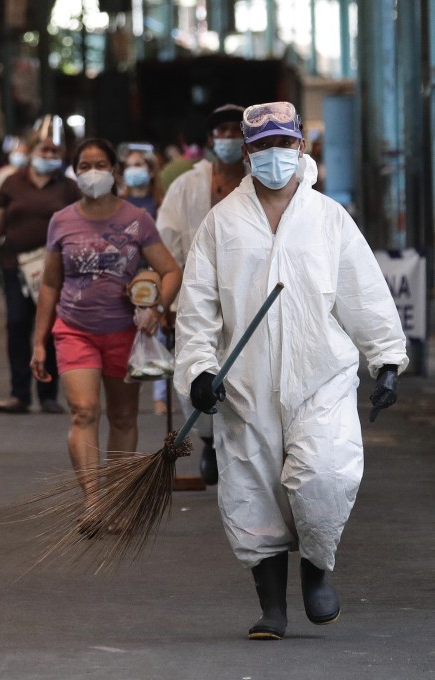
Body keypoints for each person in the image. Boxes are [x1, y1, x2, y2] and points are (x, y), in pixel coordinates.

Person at [173, 101, 407, 641]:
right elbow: (198, 308)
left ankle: (317, 569)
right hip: (246, 385)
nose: (274, 155)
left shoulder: (328, 219)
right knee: (253, 491)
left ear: (301, 146)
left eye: (283, 144)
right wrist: (201, 371)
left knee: (326, 473)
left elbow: (362, 291)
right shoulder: (221, 224)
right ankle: (271, 605)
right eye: (262, 146)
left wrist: (387, 358)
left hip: (319, 377)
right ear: (247, 154)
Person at [30, 137, 180, 506]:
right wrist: (39, 341)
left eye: (100, 165)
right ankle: (94, 501)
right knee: (83, 411)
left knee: (124, 417)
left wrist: (158, 309)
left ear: (113, 171)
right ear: (75, 172)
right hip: (74, 329)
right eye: (84, 166)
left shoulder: (136, 220)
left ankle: (115, 497)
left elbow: (170, 270)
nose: (92, 172)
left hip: (124, 332)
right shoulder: (61, 222)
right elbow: (50, 283)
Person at [156, 103, 248, 485]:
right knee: (194, 370)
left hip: (245, 295)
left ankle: (240, 448)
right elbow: (168, 245)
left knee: (242, 374)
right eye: (221, 131)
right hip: (195, 294)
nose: (228, 137)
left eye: (235, 130)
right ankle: (208, 441)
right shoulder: (188, 186)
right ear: (211, 139)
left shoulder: (259, 180)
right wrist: (168, 301)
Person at [0, 123, 81, 414]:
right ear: (32, 151)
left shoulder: (69, 187)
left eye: (54, 150)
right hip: (16, 267)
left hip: (56, 270)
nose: (49, 154)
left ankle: (48, 392)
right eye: (44, 149)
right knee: (17, 325)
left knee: (51, 329)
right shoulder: (12, 183)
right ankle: (19, 392)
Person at [119, 142, 168, 416]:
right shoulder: (119, 205)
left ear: (150, 172)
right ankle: (127, 388)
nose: (132, 170)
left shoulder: (160, 204)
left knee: (155, 332)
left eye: (138, 165)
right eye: (129, 166)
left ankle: (160, 395)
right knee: (126, 334)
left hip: (152, 274)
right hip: (125, 275)